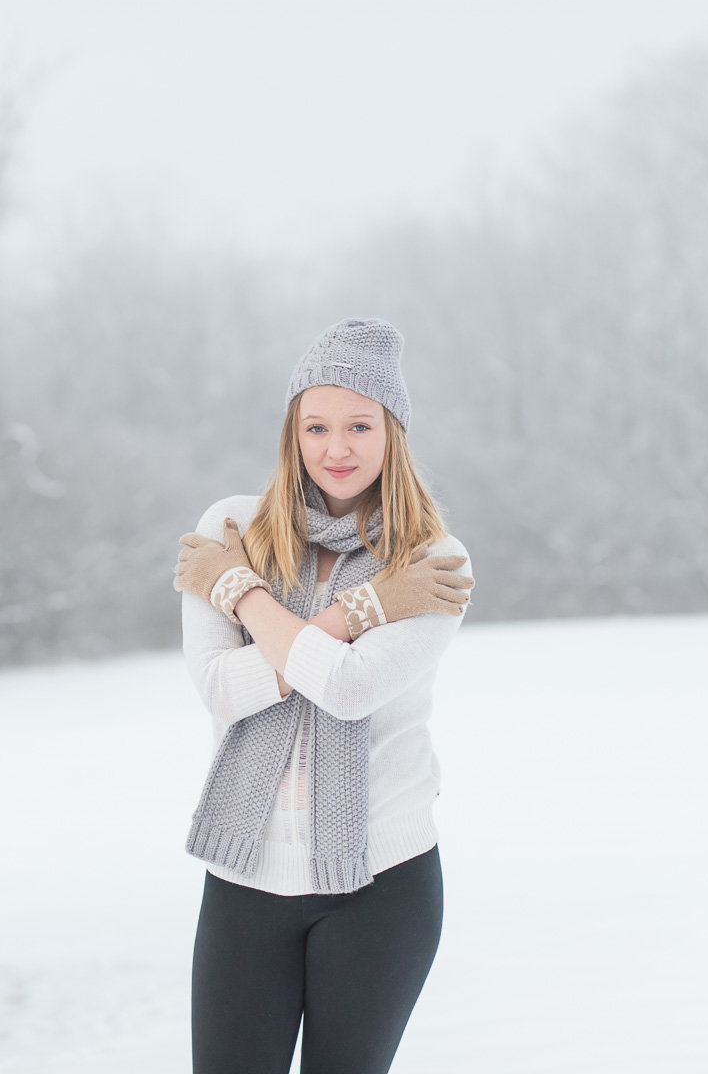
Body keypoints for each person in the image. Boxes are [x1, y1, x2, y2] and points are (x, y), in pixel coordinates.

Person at [173, 317, 475, 1074]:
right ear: (292, 431)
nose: (335, 448)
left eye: (358, 425)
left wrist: (237, 592)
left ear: (392, 431)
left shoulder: (432, 560)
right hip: (246, 875)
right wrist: (363, 609)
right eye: (316, 425)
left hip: (382, 883)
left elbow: (346, 689)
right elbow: (220, 689)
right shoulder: (231, 527)